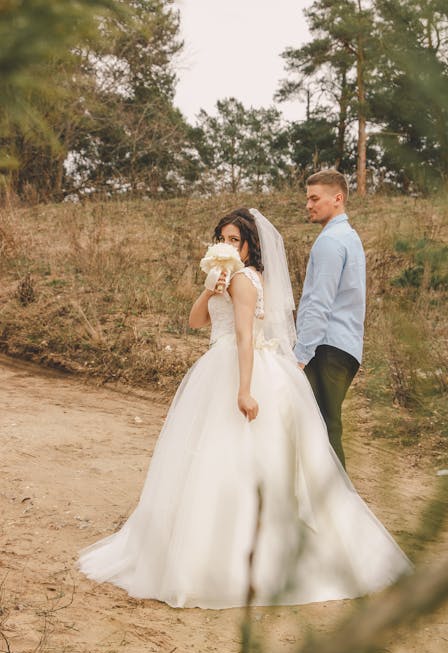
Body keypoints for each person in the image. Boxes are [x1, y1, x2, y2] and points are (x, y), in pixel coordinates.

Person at [78, 208, 411, 609]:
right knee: (206, 458)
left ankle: (245, 561)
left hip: (241, 369)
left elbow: (244, 337)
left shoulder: (246, 279)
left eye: (234, 239)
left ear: (250, 245)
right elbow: (195, 321)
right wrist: (209, 288)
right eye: (222, 237)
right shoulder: (225, 277)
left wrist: (245, 390)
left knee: (241, 457)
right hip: (217, 365)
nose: (227, 244)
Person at [294, 169, 365, 469]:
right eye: (307, 199)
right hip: (345, 347)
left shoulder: (330, 242)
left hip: (325, 348)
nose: (308, 205)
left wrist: (301, 355)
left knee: (321, 428)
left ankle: (338, 508)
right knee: (326, 425)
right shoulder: (349, 237)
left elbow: (319, 304)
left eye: (314, 198)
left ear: (337, 198)